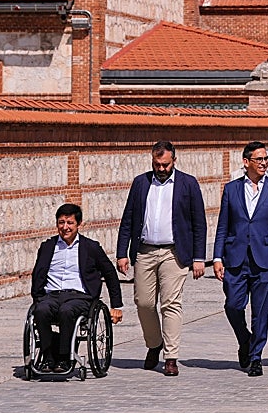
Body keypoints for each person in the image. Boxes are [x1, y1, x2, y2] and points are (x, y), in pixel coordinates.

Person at [116, 140, 206, 376]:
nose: (162, 168)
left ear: (174, 161)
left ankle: (171, 356)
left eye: (166, 164)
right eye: (157, 164)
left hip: (174, 253)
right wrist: (121, 253)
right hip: (144, 251)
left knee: (170, 303)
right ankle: (154, 344)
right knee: (144, 303)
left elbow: (199, 223)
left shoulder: (188, 184)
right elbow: (128, 220)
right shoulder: (140, 183)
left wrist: (199, 257)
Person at [212, 141, 268, 376]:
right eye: (260, 159)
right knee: (233, 305)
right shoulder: (232, 189)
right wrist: (217, 257)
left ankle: (256, 357)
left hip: (265, 259)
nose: (265, 163)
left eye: (267, 159)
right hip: (235, 258)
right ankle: (244, 338)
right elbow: (223, 226)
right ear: (247, 162)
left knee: (261, 311)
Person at [30, 203, 123, 373]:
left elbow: (110, 273)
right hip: (52, 295)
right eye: (61, 222)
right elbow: (37, 274)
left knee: (67, 311)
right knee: (41, 310)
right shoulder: (48, 247)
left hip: (79, 297)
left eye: (70, 223)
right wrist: (37, 298)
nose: (65, 227)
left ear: (79, 224)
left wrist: (116, 306)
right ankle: (47, 358)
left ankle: (65, 358)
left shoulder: (90, 247)